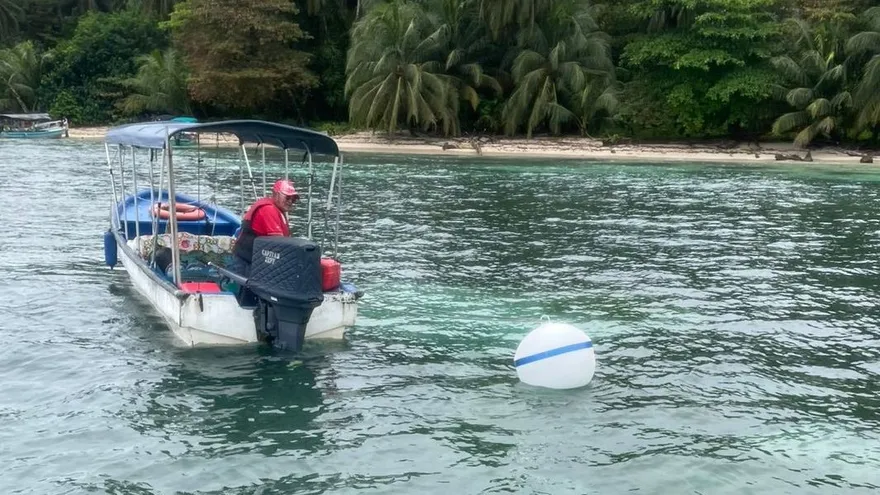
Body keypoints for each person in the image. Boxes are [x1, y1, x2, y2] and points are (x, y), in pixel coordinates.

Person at [230, 178, 299, 278]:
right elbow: (280, 243)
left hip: (255, 261)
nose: (290, 201)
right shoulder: (268, 210)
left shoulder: (277, 210)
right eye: (287, 197)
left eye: (293, 199)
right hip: (246, 263)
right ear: (275, 194)